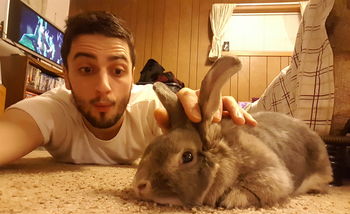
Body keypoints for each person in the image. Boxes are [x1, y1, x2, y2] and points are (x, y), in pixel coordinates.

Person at [0, 11, 256, 166]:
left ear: (133, 77)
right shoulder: (52, 109)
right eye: (86, 70)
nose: (103, 87)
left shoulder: (150, 107)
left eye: (118, 71)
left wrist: (206, 118)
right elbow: (10, 132)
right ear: (66, 76)